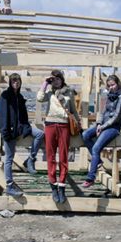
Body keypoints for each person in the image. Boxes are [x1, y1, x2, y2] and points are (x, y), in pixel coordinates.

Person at [0, 73, 45, 197]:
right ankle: (9, 185)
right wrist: (5, 132)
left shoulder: (19, 97)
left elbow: (24, 116)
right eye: (13, 81)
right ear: (10, 82)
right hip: (9, 132)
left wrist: (25, 127)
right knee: (9, 158)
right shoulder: (5, 96)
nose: (16, 83)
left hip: (20, 128)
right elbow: (3, 115)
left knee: (40, 134)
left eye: (18, 81)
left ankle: (30, 159)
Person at [37, 70, 80, 203]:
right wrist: (45, 83)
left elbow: (73, 109)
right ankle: (53, 186)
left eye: (57, 79)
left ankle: (62, 187)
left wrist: (78, 124)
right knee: (50, 157)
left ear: (62, 80)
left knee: (63, 157)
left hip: (64, 126)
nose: (55, 81)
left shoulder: (68, 92)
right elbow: (39, 98)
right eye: (53, 79)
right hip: (50, 125)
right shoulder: (49, 92)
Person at [81, 75, 121, 189]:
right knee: (85, 134)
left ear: (118, 84)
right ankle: (98, 161)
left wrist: (103, 126)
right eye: (109, 85)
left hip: (113, 127)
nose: (111, 87)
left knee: (96, 148)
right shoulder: (110, 96)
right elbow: (103, 112)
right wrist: (98, 124)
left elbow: (117, 116)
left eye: (113, 85)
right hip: (104, 125)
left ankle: (90, 178)